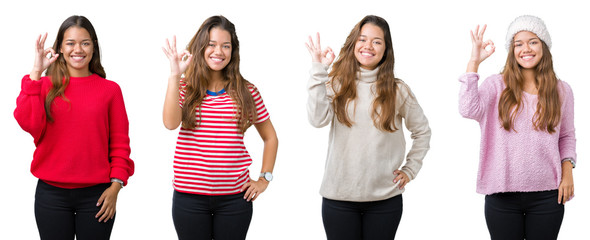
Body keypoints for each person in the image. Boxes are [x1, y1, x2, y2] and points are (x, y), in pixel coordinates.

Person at [306, 15, 431, 239]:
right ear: (354, 43)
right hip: (339, 199)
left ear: (386, 49)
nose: (368, 46)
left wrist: (410, 169)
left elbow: (422, 131)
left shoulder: (398, 90)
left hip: (385, 201)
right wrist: (318, 69)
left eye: (377, 41)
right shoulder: (336, 83)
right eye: (362, 39)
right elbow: (317, 120)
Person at [14, 15, 134, 240]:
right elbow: (27, 122)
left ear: (93, 47)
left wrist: (116, 186)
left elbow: (120, 143)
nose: (77, 49)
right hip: (51, 194)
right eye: (70, 43)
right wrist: (36, 72)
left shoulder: (110, 90)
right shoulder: (43, 85)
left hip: (98, 196)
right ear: (60, 47)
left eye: (85, 43)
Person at [459, 15, 576, 240]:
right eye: (518, 43)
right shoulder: (495, 85)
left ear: (544, 46)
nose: (526, 49)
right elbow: (468, 109)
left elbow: (567, 136)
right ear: (512, 50)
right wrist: (474, 62)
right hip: (501, 195)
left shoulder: (562, 91)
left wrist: (568, 173)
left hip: (547, 195)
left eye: (533, 41)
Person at [162, 15, 278, 240]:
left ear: (233, 51)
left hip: (235, 199)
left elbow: (270, 138)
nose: (219, 51)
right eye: (212, 45)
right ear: (201, 47)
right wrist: (175, 75)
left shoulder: (247, 91)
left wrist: (264, 179)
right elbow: (170, 123)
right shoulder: (185, 87)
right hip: (189, 198)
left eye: (226, 46)